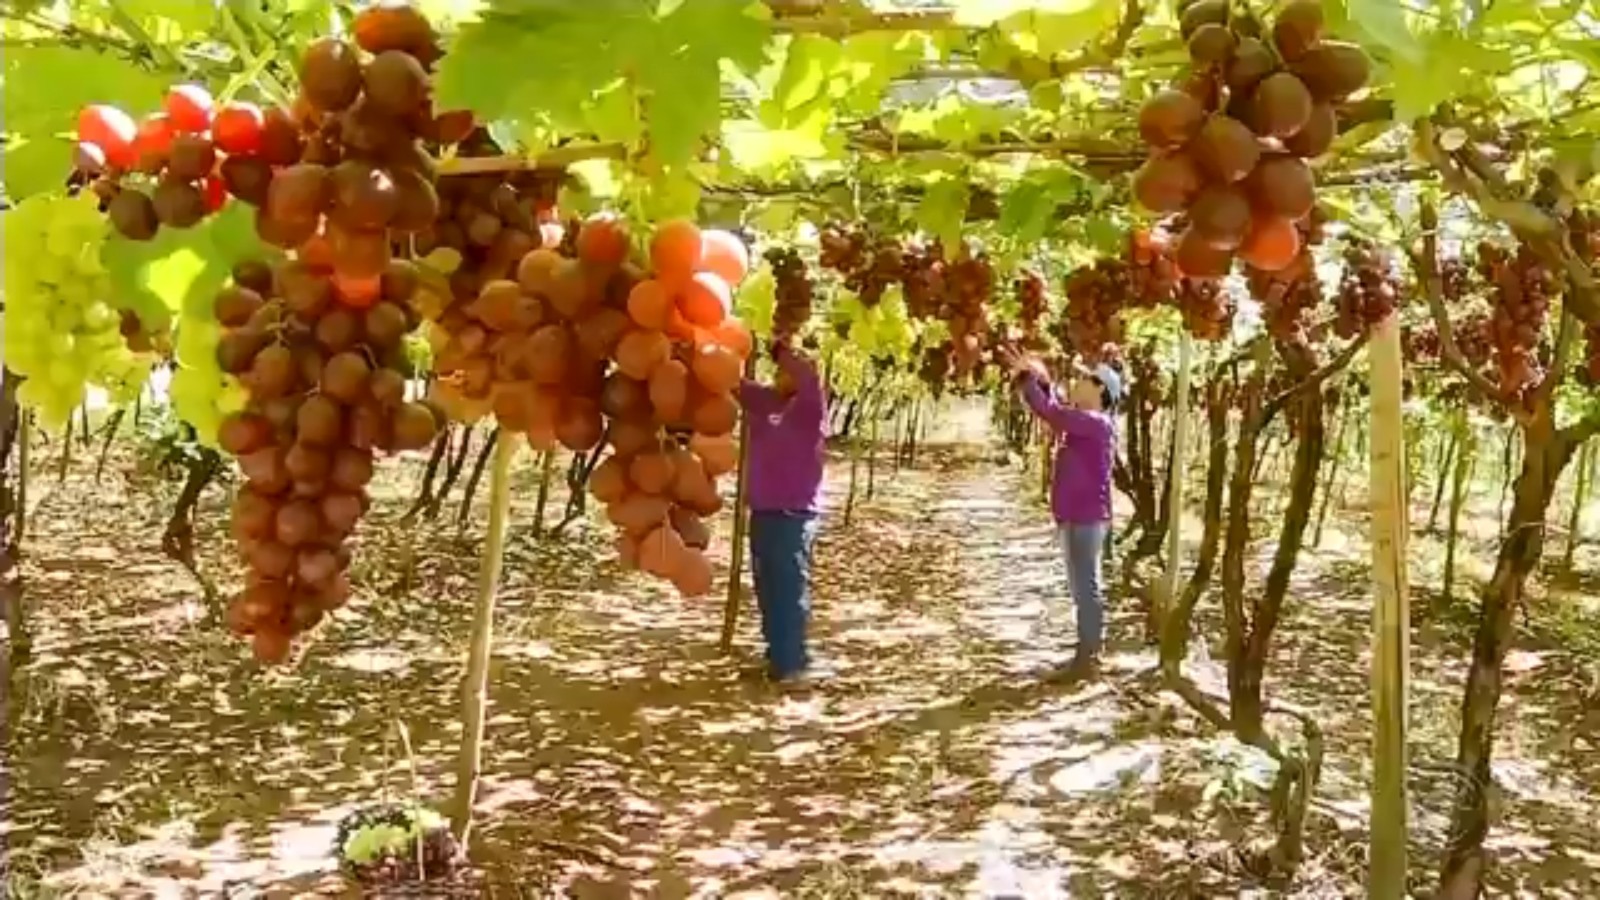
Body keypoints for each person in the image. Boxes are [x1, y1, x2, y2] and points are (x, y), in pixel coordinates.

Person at [998, 345, 1121, 678]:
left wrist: (1028, 379)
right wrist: (1040, 381)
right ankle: (1087, 652)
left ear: (1100, 391)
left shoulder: (1096, 423)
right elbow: (1056, 409)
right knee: (1081, 585)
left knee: (1086, 586)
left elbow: (1051, 412)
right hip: (1075, 516)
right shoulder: (1087, 422)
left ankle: (1089, 657)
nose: (1078, 383)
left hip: (1086, 518)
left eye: (1086, 380)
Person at [737, 339, 827, 685]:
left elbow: (806, 377)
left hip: (794, 516)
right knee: (767, 588)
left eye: (786, 370)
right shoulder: (766, 402)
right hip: (763, 512)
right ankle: (778, 658)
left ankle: (793, 665)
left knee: (789, 589)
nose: (780, 374)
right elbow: (732, 385)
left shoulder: (810, 406)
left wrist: (781, 347)